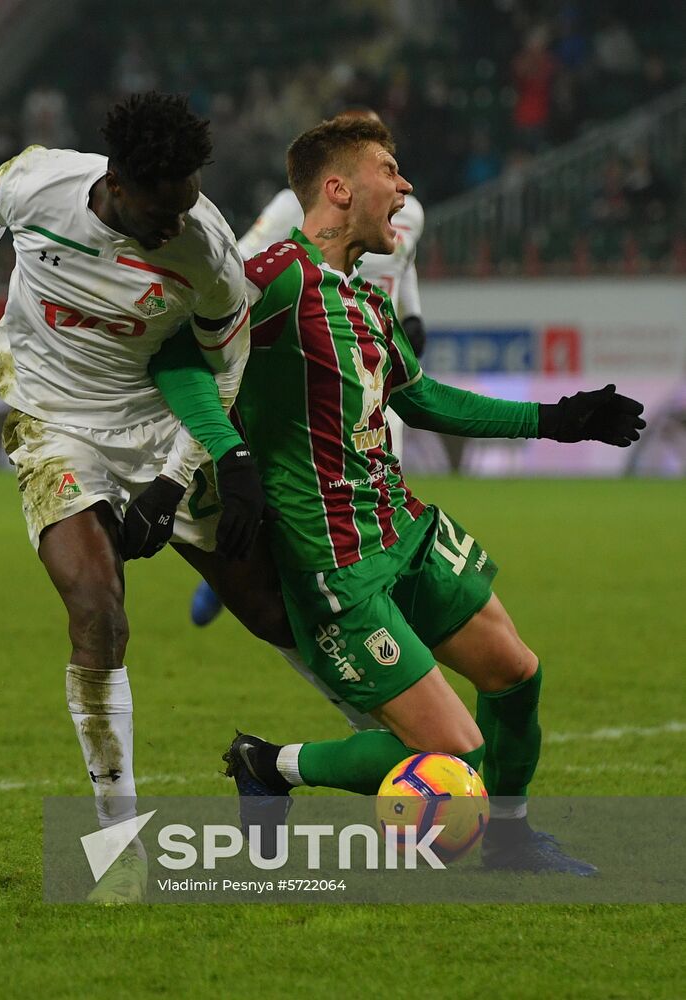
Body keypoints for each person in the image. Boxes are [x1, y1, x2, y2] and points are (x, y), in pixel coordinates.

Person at [145, 115, 644, 872]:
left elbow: (426, 402)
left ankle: (510, 843)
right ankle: (269, 763)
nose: (406, 184)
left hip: (405, 532)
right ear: (340, 189)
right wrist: (230, 456)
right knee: (457, 759)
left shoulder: (366, 301)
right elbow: (179, 360)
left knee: (517, 673)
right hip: (336, 565)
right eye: (390, 167)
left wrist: (559, 418)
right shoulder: (275, 274)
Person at [0, 92, 271, 903]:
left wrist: (178, 476)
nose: (178, 220)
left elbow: (224, 363)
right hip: (51, 420)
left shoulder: (206, 249)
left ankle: (384, 759)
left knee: (272, 611)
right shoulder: (40, 184)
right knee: (97, 610)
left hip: (152, 421)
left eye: (188, 201)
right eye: (165, 206)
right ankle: (120, 844)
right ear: (120, 183)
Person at [191, 108, 426, 627]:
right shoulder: (285, 208)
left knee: (383, 488)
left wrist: (412, 314)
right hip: (313, 354)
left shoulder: (410, 213)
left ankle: (374, 600)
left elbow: (403, 268)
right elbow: (243, 264)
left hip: (373, 363)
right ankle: (247, 569)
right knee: (305, 486)